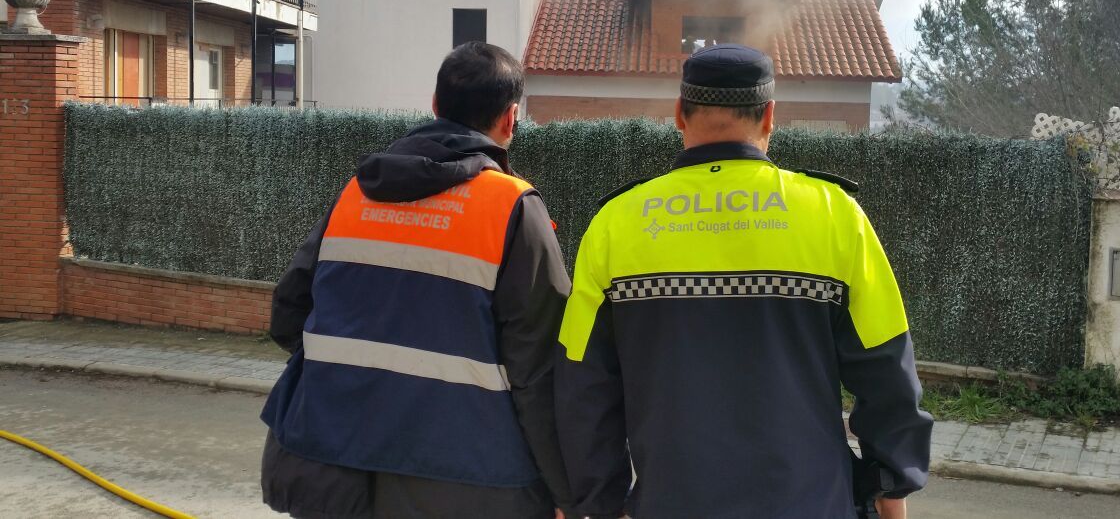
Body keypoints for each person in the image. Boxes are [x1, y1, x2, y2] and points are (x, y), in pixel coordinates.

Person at [555, 43, 933, 519]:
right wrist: (890, 485)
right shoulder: (835, 214)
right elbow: (888, 369)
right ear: (770, 115)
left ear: (679, 113)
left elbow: (582, 385)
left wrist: (598, 502)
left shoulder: (615, 223)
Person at [260, 42, 573, 519]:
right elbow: (537, 369)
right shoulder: (512, 207)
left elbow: (288, 315)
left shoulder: (358, 193)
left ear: (434, 105)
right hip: (463, 479)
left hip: (329, 464)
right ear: (510, 119)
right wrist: (565, 492)